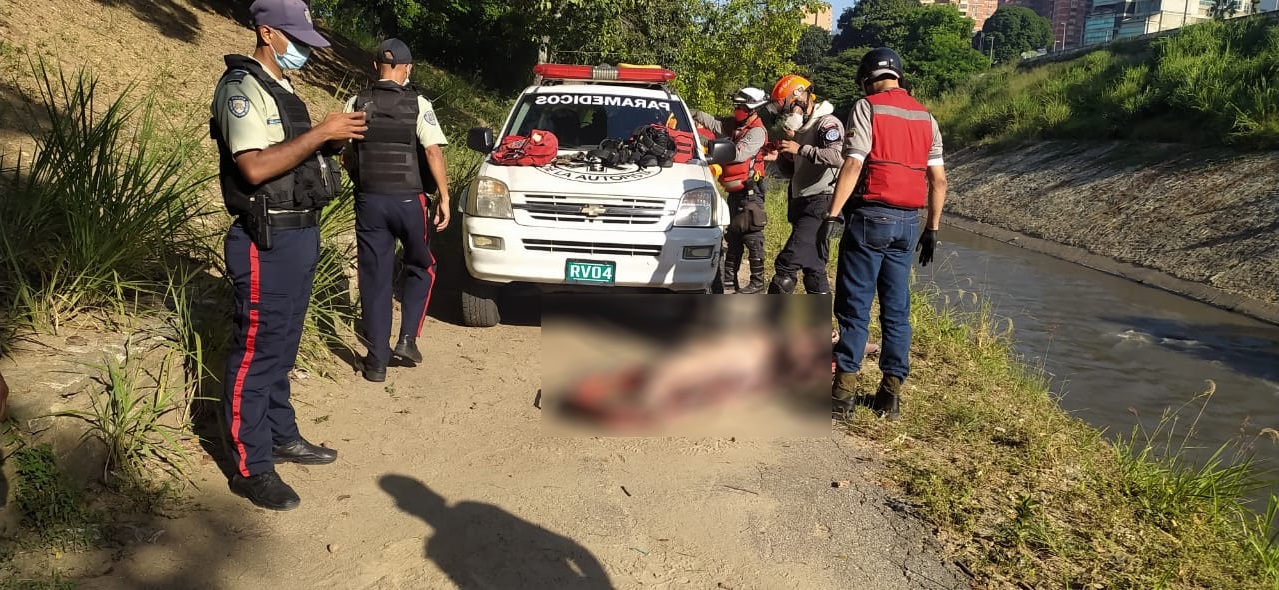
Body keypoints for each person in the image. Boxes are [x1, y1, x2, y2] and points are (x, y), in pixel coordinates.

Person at [210, 0, 367, 511]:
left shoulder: (285, 89)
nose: (304, 50)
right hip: (266, 239)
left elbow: (297, 160)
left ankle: (280, 432)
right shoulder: (241, 89)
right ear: (266, 31)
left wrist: (334, 146)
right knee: (257, 350)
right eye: (295, 39)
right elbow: (253, 169)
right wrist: (321, 133)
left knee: (284, 342)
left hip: (301, 233)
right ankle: (251, 465)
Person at [822, 48, 946, 420]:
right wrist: (932, 229)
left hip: (870, 217)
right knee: (897, 310)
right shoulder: (927, 116)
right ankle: (890, 396)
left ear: (866, 77)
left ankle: (843, 396)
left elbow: (854, 163)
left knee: (855, 307)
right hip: (909, 223)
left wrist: (832, 214)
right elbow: (938, 180)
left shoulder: (868, 107)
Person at [341, 39, 450, 383]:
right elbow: (432, 151)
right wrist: (444, 196)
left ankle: (375, 363)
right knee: (422, 265)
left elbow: (344, 152)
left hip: (370, 201)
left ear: (376, 66)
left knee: (375, 278)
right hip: (409, 201)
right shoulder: (418, 103)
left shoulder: (356, 102)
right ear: (408, 68)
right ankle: (406, 340)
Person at [762, 74, 843, 296]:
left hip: (821, 203)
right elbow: (793, 172)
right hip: (804, 203)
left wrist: (800, 149)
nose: (786, 114)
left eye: (786, 107)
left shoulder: (827, 123)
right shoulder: (802, 130)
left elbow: (837, 156)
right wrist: (782, 157)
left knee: (786, 265)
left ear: (798, 97)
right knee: (814, 268)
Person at [689, 88, 770, 294]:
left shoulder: (756, 132)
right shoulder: (736, 125)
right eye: (736, 107)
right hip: (736, 193)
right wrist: (694, 114)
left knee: (752, 235)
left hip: (751, 191)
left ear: (752, 110)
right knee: (733, 236)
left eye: (741, 107)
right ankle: (728, 281)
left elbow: (737, 154)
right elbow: (716, 124)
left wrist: (707, 143)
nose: (737, 110)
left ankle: (757, 282)